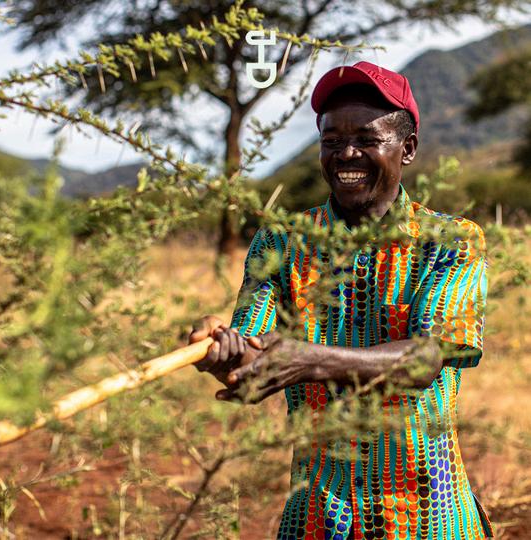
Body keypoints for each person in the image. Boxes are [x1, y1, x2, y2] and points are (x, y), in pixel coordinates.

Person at [190, 61, 492, 540]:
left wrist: (310, 360)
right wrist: (222, 349)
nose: (346, 154)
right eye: (331, 140)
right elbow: (254, 362)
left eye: (367, 139)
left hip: (425, 512)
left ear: (407, 148)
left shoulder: (451, 240)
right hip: (318, 514)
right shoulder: (279, 243)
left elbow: (425, 359)